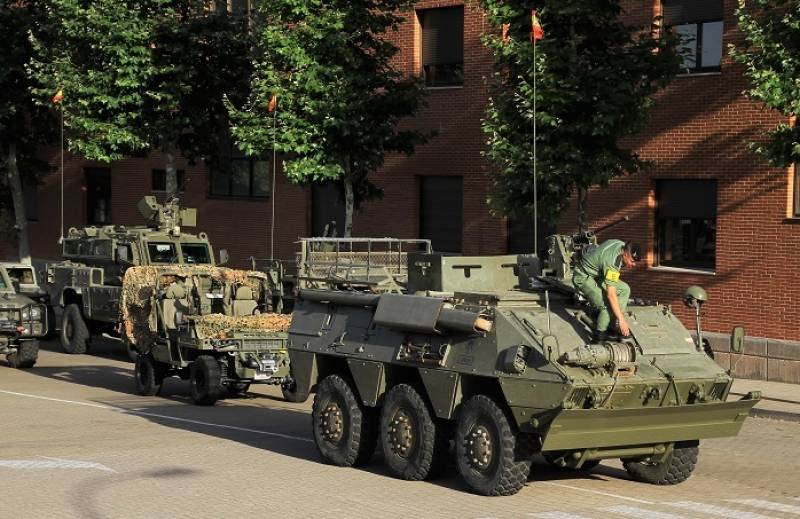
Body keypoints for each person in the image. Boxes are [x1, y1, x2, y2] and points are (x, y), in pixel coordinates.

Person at [573, 239, 641, 341]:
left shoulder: (621, 244)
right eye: (632, 261)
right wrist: (622, 320)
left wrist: (618, 317)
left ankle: (614, 323)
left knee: (625, 289)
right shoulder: (612, 263)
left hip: (598, 273)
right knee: (607, 306)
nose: (633, 264)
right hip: (583, 276)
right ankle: (598, 336)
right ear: (625, 254)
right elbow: (611, 295)